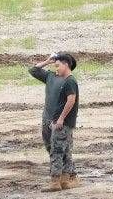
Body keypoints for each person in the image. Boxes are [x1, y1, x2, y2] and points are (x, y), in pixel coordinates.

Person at [29, 53, 81, 191]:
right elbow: (33, 70)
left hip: (60, 122)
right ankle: (64, 179)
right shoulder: (50, 77)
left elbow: (71, 100)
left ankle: (64, 178)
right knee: (53, 148)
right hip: (48, 120)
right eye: (55, 66)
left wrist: (61, 118)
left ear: (66, 65)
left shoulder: (68, 81)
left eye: (58, 65)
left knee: (60, 150)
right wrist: (47, 61)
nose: (56, 68)